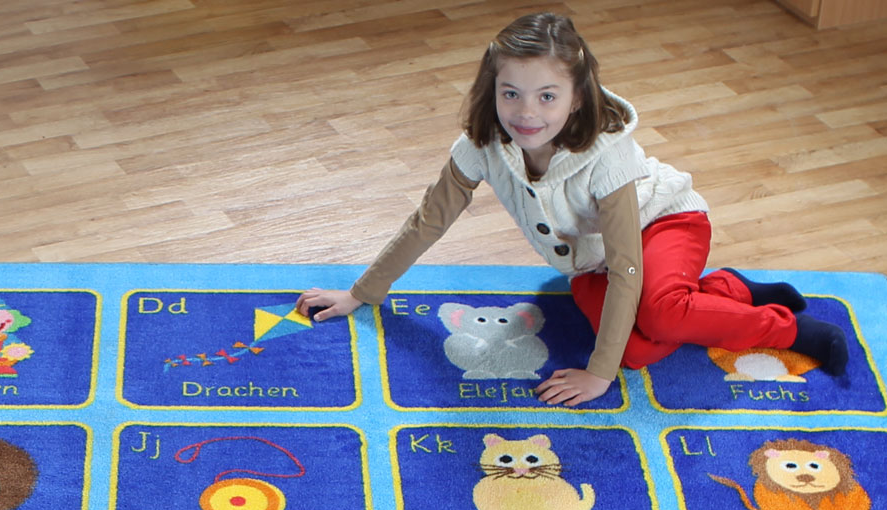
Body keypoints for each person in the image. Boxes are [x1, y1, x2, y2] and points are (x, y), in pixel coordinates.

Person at [295, 12, 848, 405]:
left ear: (578, 96)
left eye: (547, 95)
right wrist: (360, 293)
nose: (526, 112)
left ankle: (789, 330)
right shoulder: (482, 148)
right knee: (633, 350)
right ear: (492, 91)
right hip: (594, 262)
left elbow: (629, 266)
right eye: (510, 92)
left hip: (664, 224)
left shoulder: (608, 156)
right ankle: (725, 291)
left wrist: (596, 376)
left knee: (655, 314)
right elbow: (428, 222)